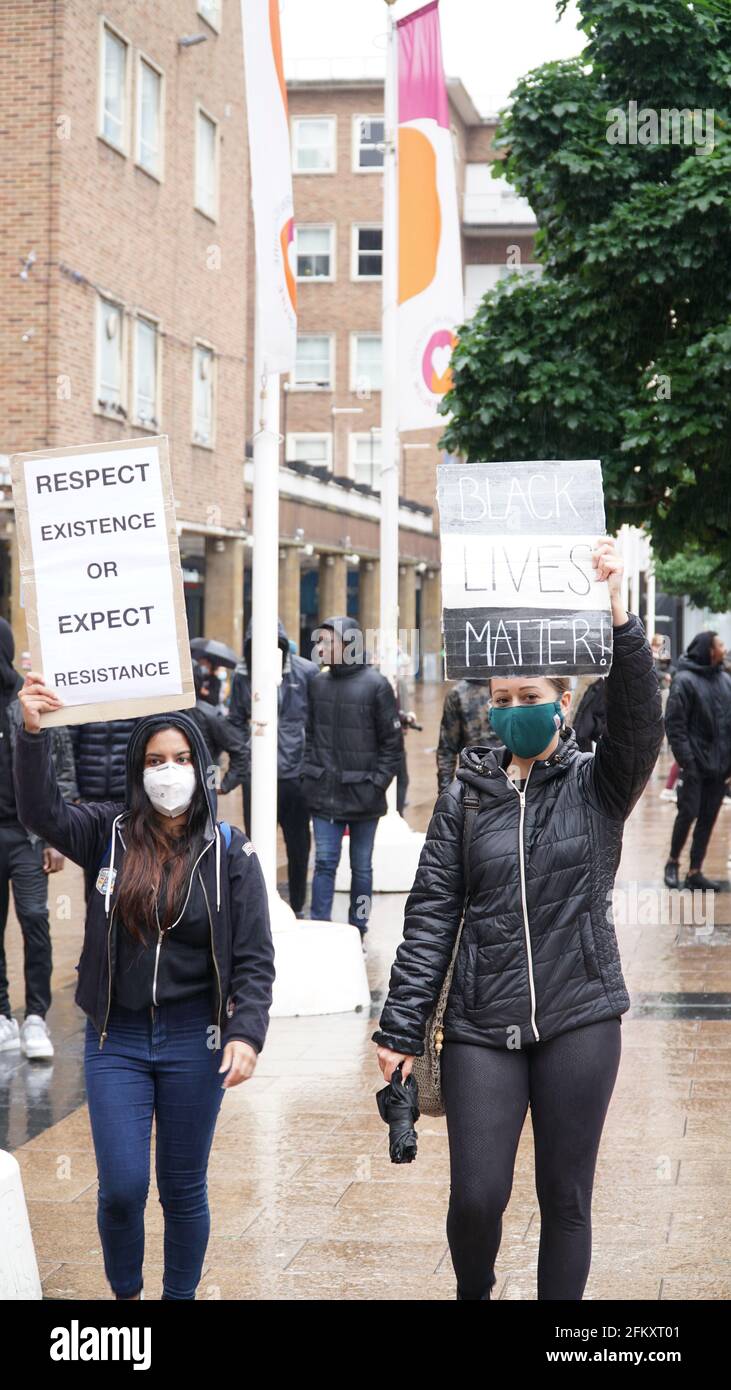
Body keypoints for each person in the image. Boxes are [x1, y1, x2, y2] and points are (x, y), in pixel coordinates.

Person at [372, 537, 664, 1301]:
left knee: (565, 1202)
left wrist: (620, 620)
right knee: (476, 1198)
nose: (513, 711)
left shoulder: (598, 785)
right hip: (480, 1023)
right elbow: (431, 912)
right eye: (500, 701)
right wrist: (399, 1029)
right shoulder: (467, 795)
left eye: (529, 697)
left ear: (563, 701)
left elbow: (639, 725)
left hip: (579, 1016)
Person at [14, 673, 275, 1301]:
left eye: (182, 759)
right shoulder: (106, 834)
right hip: (117, 1038)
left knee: (183, 1187)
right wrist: (28, 734)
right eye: (156, 761)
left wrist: (246, 1033)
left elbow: (255, 958)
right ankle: (126, 1301)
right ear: (139, 770)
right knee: (124, 1187)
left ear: (201, 767)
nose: (169, 772)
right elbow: (39, 811)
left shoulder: (230, 851)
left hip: (196, 1038)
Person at [0, 619, 77, 1059]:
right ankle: (2, 1015)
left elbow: (59, 768)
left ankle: (35, 1016)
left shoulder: (26, 699)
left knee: (35, 920)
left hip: (27, 837)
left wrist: (54, 836)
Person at [303, 616, 403, 942]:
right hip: (324, 793)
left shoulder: (376, 684)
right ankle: (319, 927)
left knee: (362, 869)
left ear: (348, 644)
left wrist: (376, 784)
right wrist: (309, 774)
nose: (321, 647)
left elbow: (392, 746)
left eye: (327, 642)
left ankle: (358, 928)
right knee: (324, 864)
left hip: (364, 795)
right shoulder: (317, 684)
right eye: (320, 641)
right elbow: (308, 735)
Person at [229, 620, 317, 917]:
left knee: (298, 844)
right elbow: (234, 720)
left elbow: (316, 724)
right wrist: (243, 760)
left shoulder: (306, 672)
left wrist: (309, 767)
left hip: (296, 776)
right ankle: (258, 905)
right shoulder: (242, 675)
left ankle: (297, 904)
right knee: (255, 845)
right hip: (256, 776)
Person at [663, 630, 731, 890]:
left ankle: (695, 872)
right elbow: (675, 726)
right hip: (695, 767)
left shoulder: (725, 680)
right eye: (721, 644)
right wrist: (687, 763)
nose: (724, 648)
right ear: (708, 650)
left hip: (720, 768)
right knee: (687, 814)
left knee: (708, 818)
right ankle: (672, 863)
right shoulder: (685, 680)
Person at [69, 716, 139, 903]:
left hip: (126, 799)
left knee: (131, 864)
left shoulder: (133, 702)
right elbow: (71, 749)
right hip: (91, 800)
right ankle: (96, 917)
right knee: (95, 865)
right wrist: (74, 793)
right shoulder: (84, 703)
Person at [186, 660, 249, 799]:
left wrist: (225, 785)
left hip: (204, 790)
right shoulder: (160, 714)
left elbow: (241, 751)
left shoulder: (209, 714)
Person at [437, 677, 501, 794]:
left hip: (509, 779)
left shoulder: (508, 689)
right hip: (472, 782)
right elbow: (447, 749)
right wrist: (444, 793)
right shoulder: (457, 694)